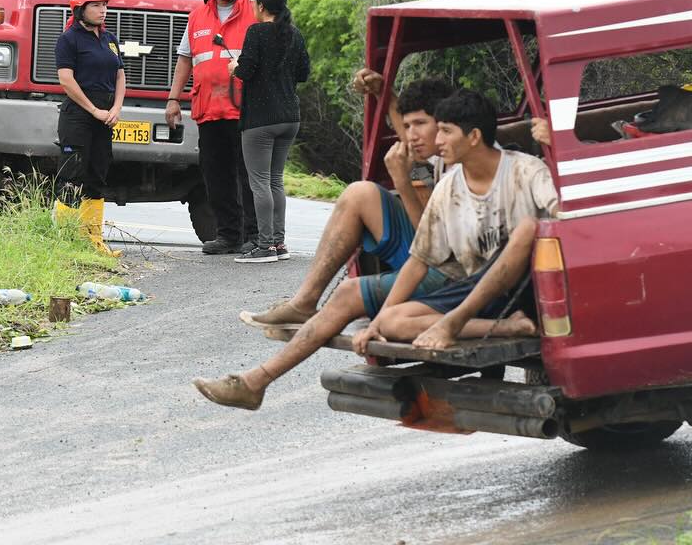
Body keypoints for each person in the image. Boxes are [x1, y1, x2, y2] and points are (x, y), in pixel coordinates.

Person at [193, 89, 556, 411]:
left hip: (520, 288)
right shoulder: (451, 184)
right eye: (420, 127)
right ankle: (258, 378)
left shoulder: (525, 171)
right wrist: (381, 322)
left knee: (528, 228)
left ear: (473, 137)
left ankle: (456, 322)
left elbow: (563, 213)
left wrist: (556, 145)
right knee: (392, 321)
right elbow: (421, 257)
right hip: (471, 285)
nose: (433, 138)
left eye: (442, 130)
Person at [247, 72, 456, 322]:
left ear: (446, 124)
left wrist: (402, 181)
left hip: (446, 274)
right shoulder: (445, 151)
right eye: (409, 125)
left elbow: (431, 247)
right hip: (434, 255)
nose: (410, 136)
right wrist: (384, 94)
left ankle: (305, 313)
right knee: (360, 193)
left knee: (347, 294)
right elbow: (412, 139)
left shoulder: (461, 171)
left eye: (420, 124)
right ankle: (304, 302)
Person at [165, 0, 258, 254]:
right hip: (209, 109)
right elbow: (185, 59)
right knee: (215, 176)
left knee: (248, 176)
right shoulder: (197, 17)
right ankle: (228, 235)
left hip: (245, 109)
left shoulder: (255, 12)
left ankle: (253, 236)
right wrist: (173, 99)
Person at [228, 0, 310, 263]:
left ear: (261, 6)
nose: (252, 5)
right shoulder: (294, 34)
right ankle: (278, 242)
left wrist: (234, 67)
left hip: (261, 119)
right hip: (289, 117)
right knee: (275, 181)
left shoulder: (256, 32)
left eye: (253, 1)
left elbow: (246, 70)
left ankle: (265, 246)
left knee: (260, 182)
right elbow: (303, 73)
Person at [54, 0, 125, 256]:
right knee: (72, 175)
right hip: (78, 115)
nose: (102, 10)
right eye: (96, 5)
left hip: (105, 117)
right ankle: (66, 242)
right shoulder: (69, 39)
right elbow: (66, 79)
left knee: (97, 175)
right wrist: (93, 110)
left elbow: (119, 74)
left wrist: (116, 108)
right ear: (79, 9)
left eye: (105, 5)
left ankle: (93, 241)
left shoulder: (109, 39)